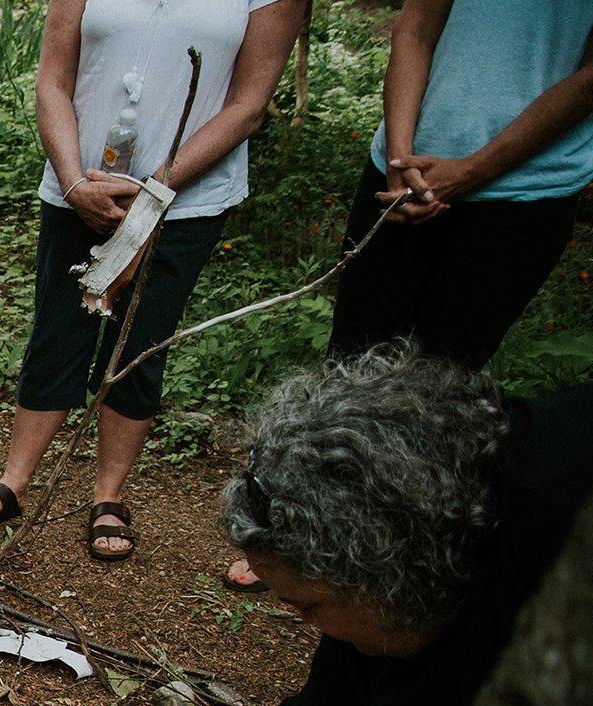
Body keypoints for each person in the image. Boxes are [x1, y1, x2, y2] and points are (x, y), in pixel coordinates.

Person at [94, 349, 593, 706]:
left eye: (309, 606)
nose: (304, 623)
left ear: (393, 574)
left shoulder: (556, 553)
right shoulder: (375, 628)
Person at [225, 0, 593, 593]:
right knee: (347, 367)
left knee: (435, 386)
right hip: (398, 170)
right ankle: (290, 536)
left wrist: (471, 171)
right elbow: (416, 27)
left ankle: (372, 554)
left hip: (523, 191)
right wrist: (400, 157)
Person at [0, 0, 301, 561]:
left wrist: (155, 192)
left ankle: (108, 495)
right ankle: (15, 482)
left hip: (184, 203)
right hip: (80, 187)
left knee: (141, 339)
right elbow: (53, 81)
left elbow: (248, 106)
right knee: (57, 331)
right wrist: (71, 182)